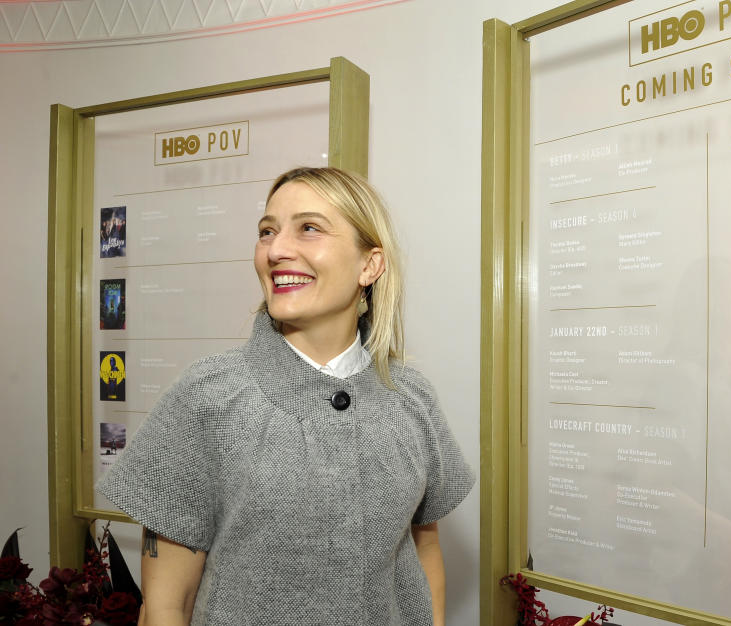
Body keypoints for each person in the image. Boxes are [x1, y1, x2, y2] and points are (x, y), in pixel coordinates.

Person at [98, 167, 475, 625]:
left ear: (369, 265)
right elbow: (164, 604)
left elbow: (424, 546)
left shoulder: (411, 398)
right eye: (267, 231)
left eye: (309, 228)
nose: (276, 250)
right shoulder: (208, 397)